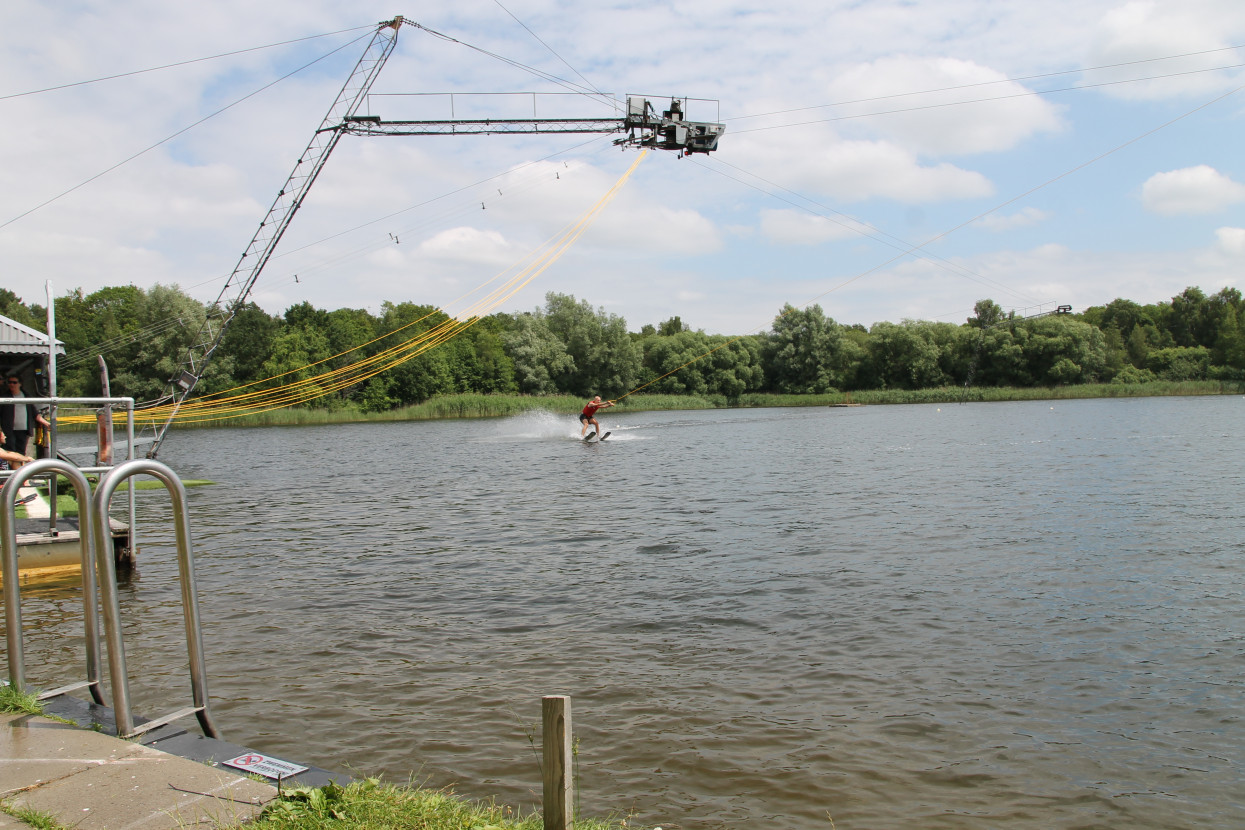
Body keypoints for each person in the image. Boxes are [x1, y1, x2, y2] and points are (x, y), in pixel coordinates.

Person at [1, 375, 50, 456]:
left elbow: (34, 413)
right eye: (9, 382)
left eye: (14, 382)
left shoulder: (26, 396)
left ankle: (20, 467)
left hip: (23, 430)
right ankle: (12, 468)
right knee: (10, 452)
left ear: (20, 384)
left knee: (21, 452)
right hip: (8, 431)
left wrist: (46, 423)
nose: (12, 384)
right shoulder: (4, 397)